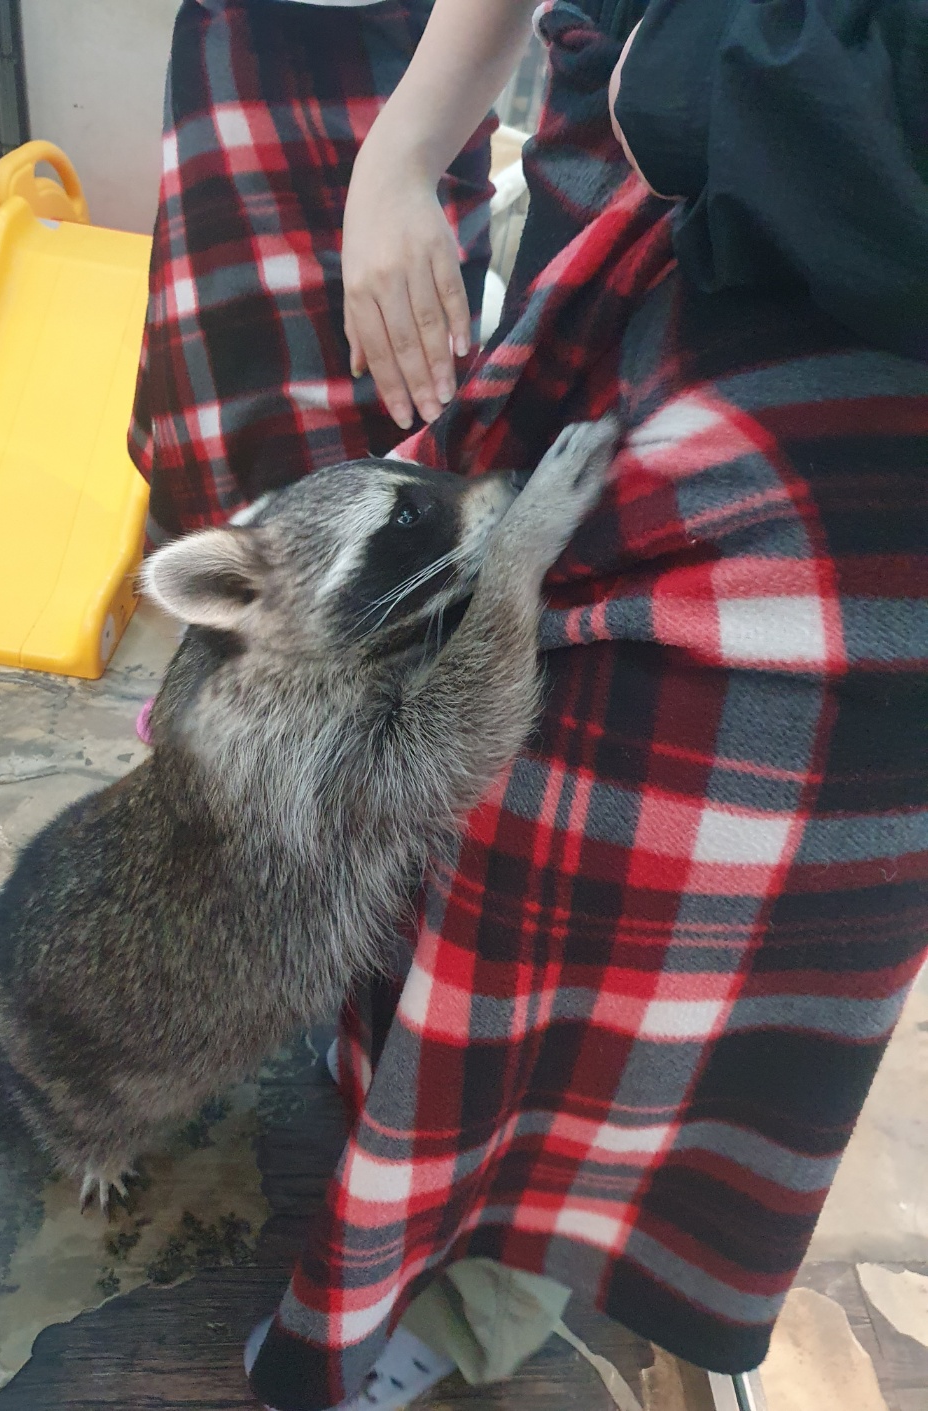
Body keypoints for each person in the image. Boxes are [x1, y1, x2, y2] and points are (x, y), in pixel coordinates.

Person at [241, 2, 928, 1409]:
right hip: (621, 244)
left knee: (616, 885)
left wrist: (697, 72)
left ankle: (489, 1283)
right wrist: (400, 154)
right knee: (457, 803)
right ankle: (385, 1093)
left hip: (846, 343)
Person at [128, 0, 496, 550]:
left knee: (412, 450)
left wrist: (404, 163)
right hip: (234, 52)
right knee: (235, 441)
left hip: (426, 69)